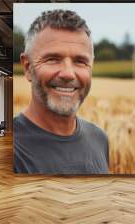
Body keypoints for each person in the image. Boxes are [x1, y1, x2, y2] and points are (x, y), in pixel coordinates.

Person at [13, 9, 109, 174]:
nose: (68, 74)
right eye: (52, 59)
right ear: (28, 67)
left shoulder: (99, 138)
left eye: (80, 61)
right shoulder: (11, 148)